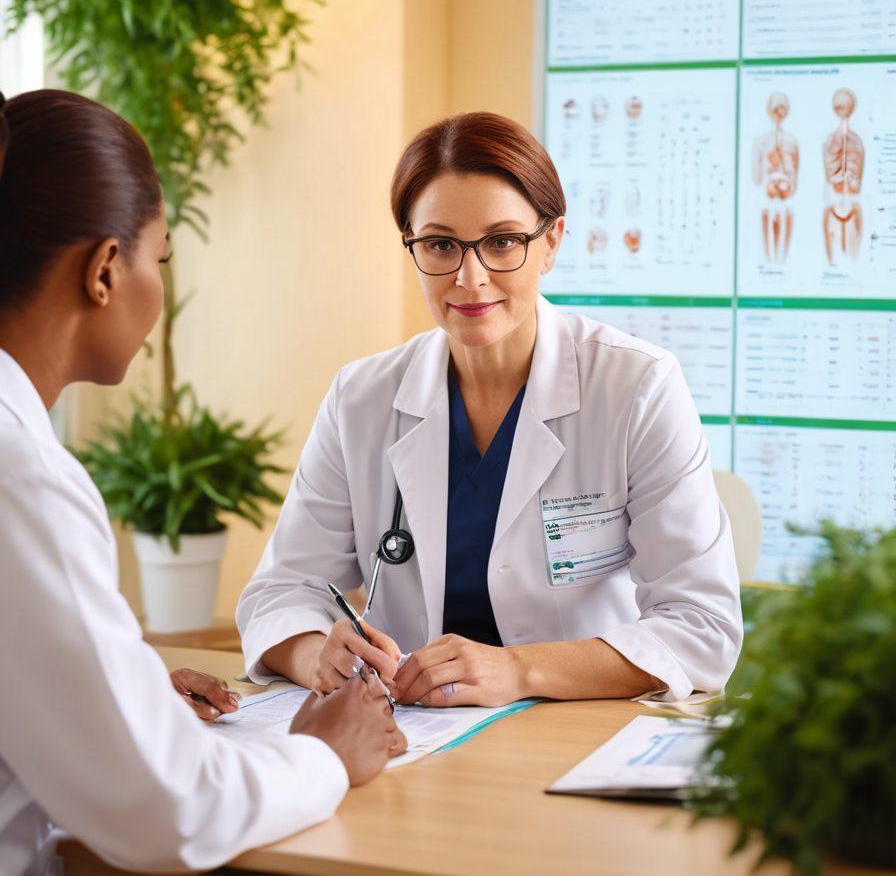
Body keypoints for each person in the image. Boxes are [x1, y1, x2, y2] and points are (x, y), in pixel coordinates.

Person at [0, 89, 406, 876]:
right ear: (105, 272)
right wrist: (325, 755)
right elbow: (171, 810)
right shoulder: (24, 478)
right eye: (163, 257)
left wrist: (126, 685)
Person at [238, 112, 742, 708]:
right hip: (411, 734)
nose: (470, 278)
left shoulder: (637, 387)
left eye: (503, 241)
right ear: (412, 246)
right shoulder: (362, 398)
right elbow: (280, 592)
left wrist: (520, 671)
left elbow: (701, 626)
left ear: (550, 242)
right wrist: (314, 652)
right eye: (441, 244)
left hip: (579, 729)